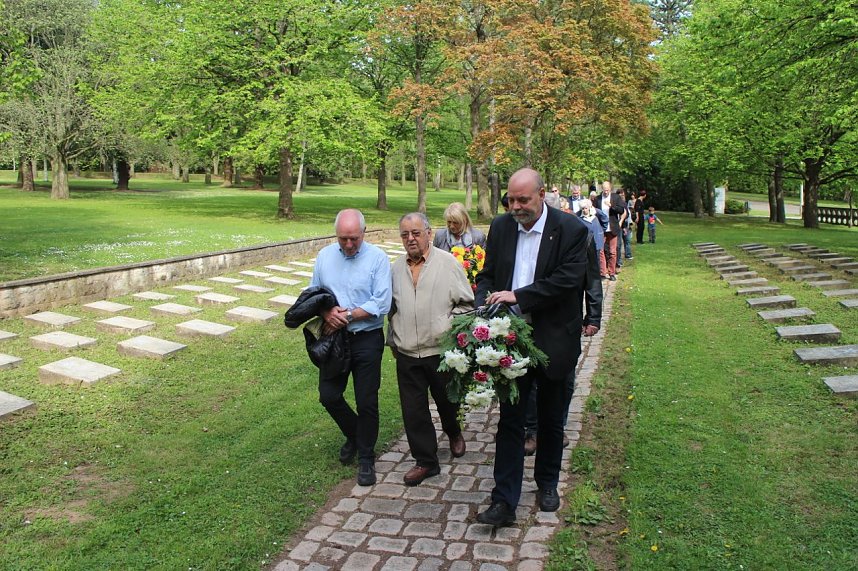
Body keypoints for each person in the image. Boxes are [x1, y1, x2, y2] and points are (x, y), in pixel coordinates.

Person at [474, 167, 602, 527]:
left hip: (554, 340)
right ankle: (504, 500)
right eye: (511, 200)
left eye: (523, 200)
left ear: (542, 194)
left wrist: (519, 295)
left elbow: (567, 281)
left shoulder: (572, 230)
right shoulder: (500, 227)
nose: (516, 206)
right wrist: (482, 301)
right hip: (510, 340)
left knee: (550, 418)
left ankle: (547, 483)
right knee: (511, 421)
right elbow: (488, 274)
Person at [388, 212, 474, 486]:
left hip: (439, 350)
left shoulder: (447, 263)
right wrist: (393, 340)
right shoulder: (394, 269)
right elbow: (391, 310)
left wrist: (447, 327)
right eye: (405, 235)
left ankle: (453, 431)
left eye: (415, 233)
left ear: (428, 232)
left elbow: (467, 304)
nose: (410, 239)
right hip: (408, 353)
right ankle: (426, 461)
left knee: (447, 402)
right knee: (413, 410)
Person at [310, 209, 392, 486]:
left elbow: (381, 303)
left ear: (364, 233)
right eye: (343, 239)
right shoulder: (324, 257)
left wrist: (345, 316)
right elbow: (314, 294)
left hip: (366, 338)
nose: (348, 244)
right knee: (328, 395)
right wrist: (326, 313)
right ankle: (356, 434)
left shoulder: (377, 258)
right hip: (334, 340)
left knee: (367, 400)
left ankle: (366, 457)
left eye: (354, 239)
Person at [597, 181, 626, 281]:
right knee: (601, 251)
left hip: (613, 227)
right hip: (601, 228)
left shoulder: (616, 197)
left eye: (607, 190)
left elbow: (621, 210)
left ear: (610, 189)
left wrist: (611, 206)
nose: (606, 192)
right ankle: (602, 272)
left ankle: (612, 272)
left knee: (613, 252)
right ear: (602, 189)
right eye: (604, 190)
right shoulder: (598, 198)